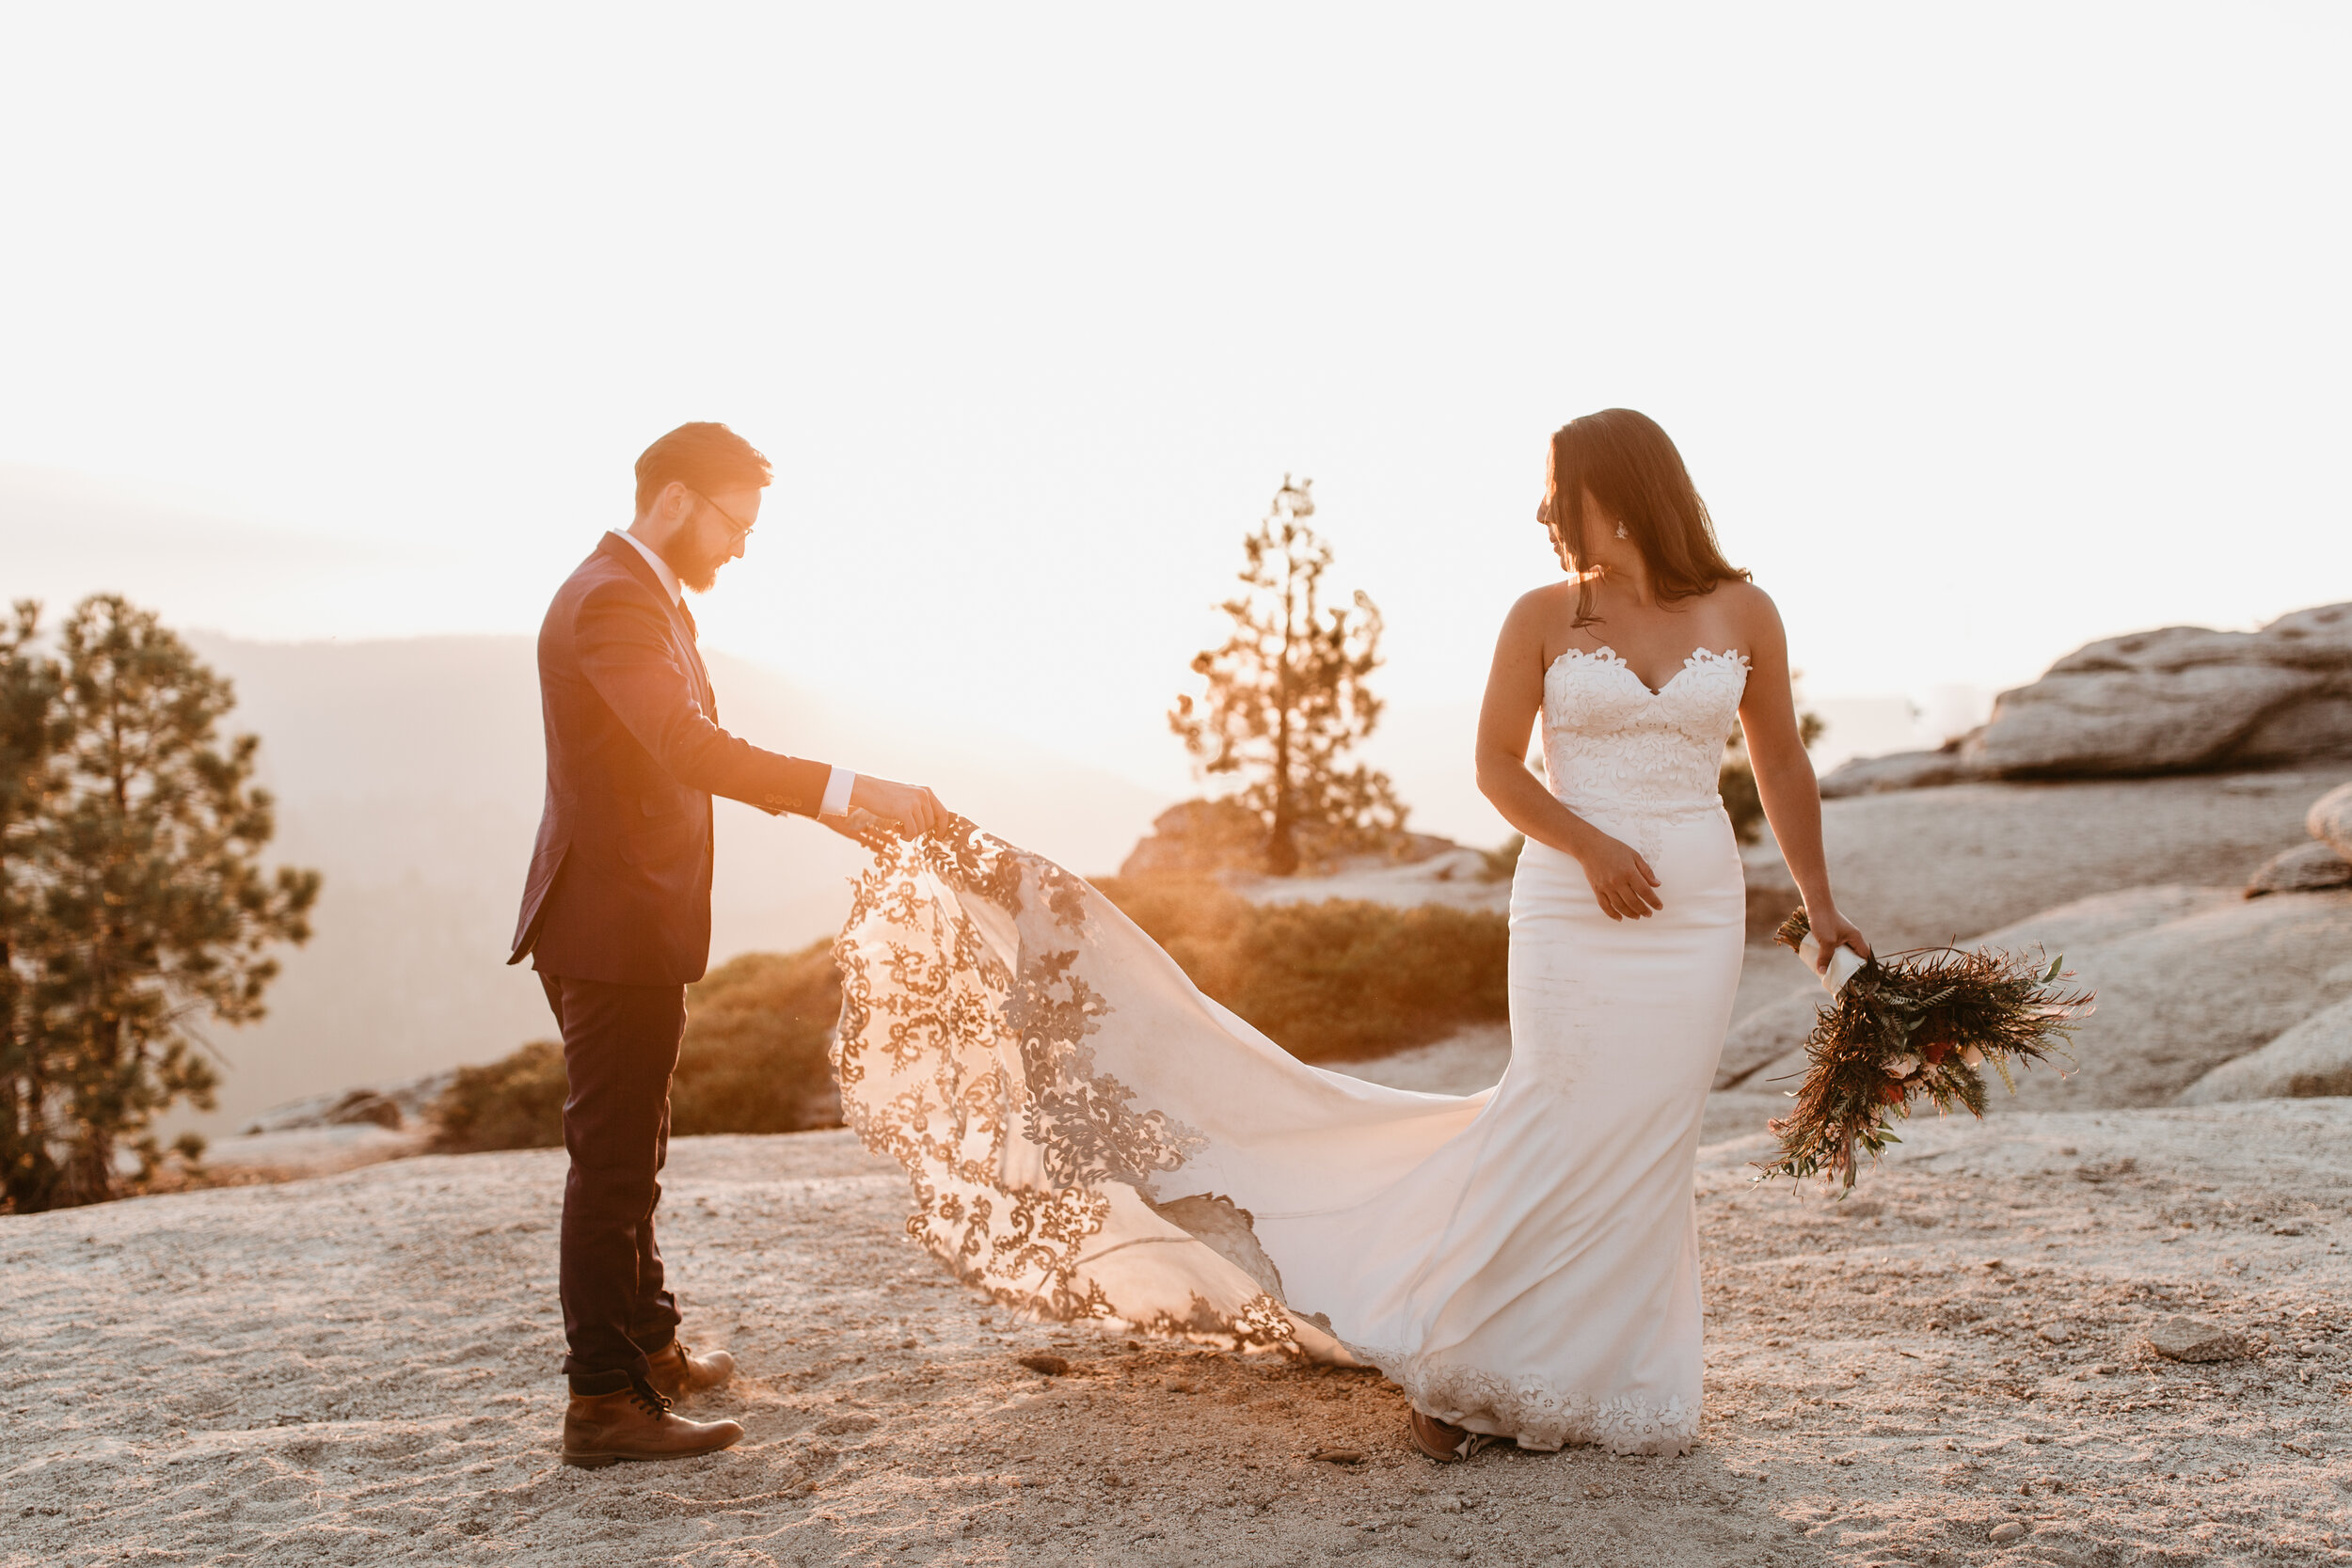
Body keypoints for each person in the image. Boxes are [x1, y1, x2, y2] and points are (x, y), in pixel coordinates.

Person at [825, 406, 1869, 1465]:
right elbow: (1497, 768)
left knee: (1649, 1135)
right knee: (1556, 1111)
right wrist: (1589, 844)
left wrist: (1818, 904)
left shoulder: (1744, 609)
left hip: (1692, 914)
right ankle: (1464, 1362)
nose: (1547, 509)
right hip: (1569, 903)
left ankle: (1605, 1377)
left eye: (1566, 488)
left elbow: (1779, 759)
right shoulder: (1543, 615)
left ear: (1626, 492)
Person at [509, 421, 947, 1469]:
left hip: (625, 919)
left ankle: (649, 1343)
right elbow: (687, 746)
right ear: (672, 500)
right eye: (734, 522)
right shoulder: (615, 599)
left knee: (637, 1146)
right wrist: (848, 786)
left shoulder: (638, 591)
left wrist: (833, 815)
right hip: (609, 922)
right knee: (612, 1163)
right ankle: (602, 1400)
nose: (742, 546)